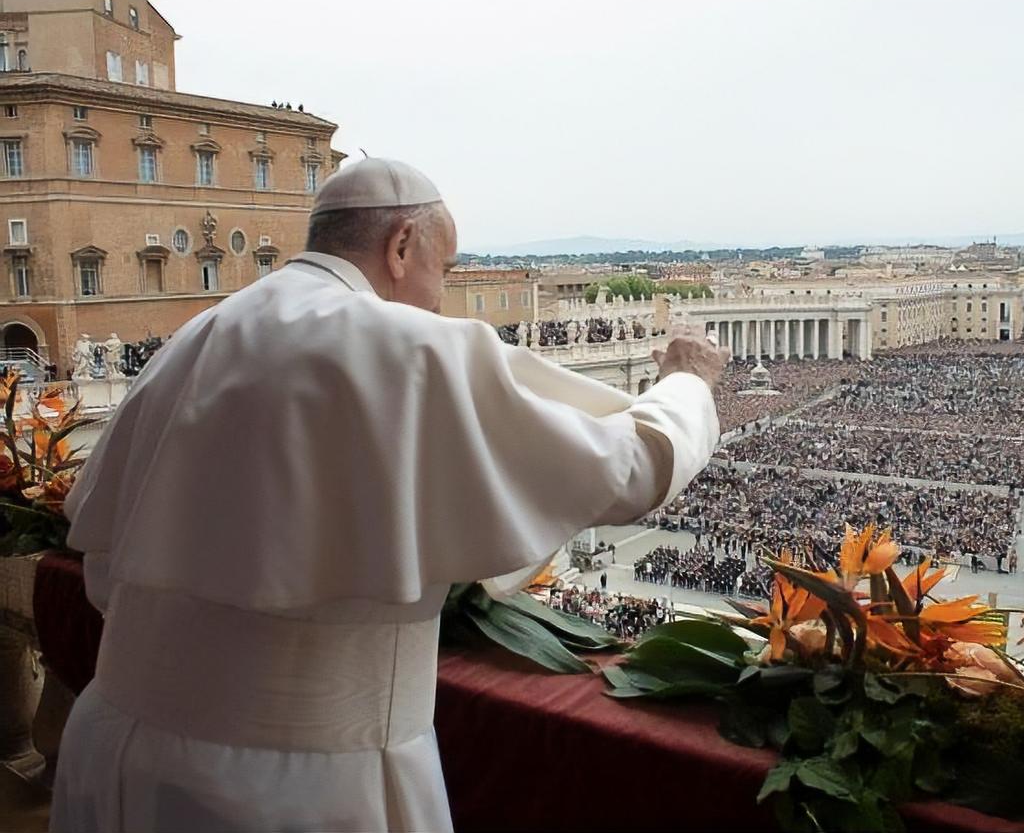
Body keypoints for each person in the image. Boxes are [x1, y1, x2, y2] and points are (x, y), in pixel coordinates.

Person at [51, 158, 727, 833]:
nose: (441, 294)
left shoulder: (195, 336)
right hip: (292, 785)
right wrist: (686, 384)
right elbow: (627, 468)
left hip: (112, 750)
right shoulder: (406, 346)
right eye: (448, 267)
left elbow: (109, 570)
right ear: (402, 246)